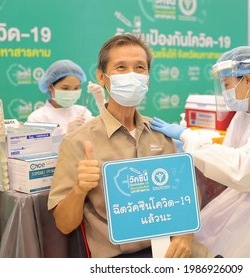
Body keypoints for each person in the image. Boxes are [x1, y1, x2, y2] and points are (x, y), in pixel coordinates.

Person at [150, 46, 250, 257]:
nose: (225, 92)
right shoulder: (245, 114)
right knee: (201, 241)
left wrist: (188, 137)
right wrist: (189, 145)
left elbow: (241, 168)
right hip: (249, 200)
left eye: (226, 84)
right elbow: (227, 156)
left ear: (247, 80)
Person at [47, 34, 200, 258]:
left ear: (148, 77)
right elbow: (64, 224)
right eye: (121, 67)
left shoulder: (160, 134)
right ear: (102, 77)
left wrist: (186, 235)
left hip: (171, 249)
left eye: (139, 67)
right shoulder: (78, 141)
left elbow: (185, 196)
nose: (131, 75)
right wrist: (80, 188)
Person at [27, 59, 105, 134]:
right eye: (65, 88)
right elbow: (38, 146)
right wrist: (66, 133)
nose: (71, 92)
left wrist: (102, 104)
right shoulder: (37, 118)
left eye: (76, 88)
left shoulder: (82, 112)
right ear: (50, 87)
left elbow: (104, 131)